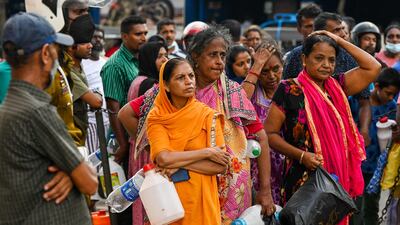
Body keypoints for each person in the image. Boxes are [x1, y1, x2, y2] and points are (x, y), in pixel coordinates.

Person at [265, 30, 381, 224]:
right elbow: (269, 133)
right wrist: (302, 156)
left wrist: (337, 40)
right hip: (303, 180)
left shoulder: (337, 86)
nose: (326, 65)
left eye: (331, 60)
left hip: (335, 180)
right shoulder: (288, 89)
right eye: (319, 58)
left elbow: (373, 67)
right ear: (304, 58)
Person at [0, 12, 97, 225]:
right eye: (55, 49)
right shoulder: (36, 111)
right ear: (45, 53)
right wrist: (75, 173)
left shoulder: (10, 106)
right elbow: (90, 183)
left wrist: (71, 172)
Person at [187, 26, 275, 223]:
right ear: (195, 56)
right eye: (212, 55)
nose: (219, 61)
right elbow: (128, 114)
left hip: (233, 191)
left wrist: (265, 190)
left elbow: (261, 136)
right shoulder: (179, 88)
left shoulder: (232, 91)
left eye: (222, 55)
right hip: (192, 182)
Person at [147, 58, 230, 225]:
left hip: (203, 198)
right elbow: (162, 158)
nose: (189, 82)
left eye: (191, 76)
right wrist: (206, 153)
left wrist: (179, 163)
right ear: (166, 86)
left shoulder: (207, 115)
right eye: (180, 78)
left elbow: (220, 165)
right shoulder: (157, 117)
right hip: (170, 202)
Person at [284, 12, 372, 148]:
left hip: (338, 133)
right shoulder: (297, 55)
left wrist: (364, 130)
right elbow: (286, 94)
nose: (343, 33)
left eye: (343, 28)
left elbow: (364, 99)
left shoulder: (349, 58)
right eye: (337, 30)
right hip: (304, 132)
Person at [101, 15, 147, 165]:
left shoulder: (141, 58)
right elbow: (113, 109)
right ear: (124, 36)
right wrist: (123, 144)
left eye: (145, 33)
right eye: (138, 34)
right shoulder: (114, 66)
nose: (144, 38)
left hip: (138, 135)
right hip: (124, 138)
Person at [361, 68, 400, 225]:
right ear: (376, 87)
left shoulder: (391, 106)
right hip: (360, 164)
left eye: (394, 94)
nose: (391, 98)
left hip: (379, 165)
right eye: (388, 93)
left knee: (374, 206)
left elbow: (394, 131)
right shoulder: (361, 103)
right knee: (358, 205)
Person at [67, 14, 102, 151]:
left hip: (80, 135)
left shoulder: (78, 66)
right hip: (71, 138)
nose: (90, 45)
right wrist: (97, 94)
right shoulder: (68, 71)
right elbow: (96, 102)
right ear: (71, 47)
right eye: (84, 43)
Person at [82, 27, 110, 154]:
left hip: (109, 119)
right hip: (91, 121)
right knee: (93, 159)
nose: (98, 40)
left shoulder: (108, 62)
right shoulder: (81, 64)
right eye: (94, 37)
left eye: (101, 37)